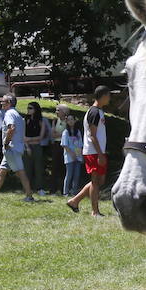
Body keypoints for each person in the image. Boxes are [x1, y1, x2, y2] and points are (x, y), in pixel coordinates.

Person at [0, 95, 35, 202]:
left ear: (9, 102)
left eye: (3, 101)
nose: (1, 103)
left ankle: (29, 196)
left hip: (11, 149)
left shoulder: (9, 114)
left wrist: (6, 143)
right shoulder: (17, 114)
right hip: (13, 149)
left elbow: (11, 128)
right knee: (1, 171)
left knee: (20, 172)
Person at [67, 86, 112, 216]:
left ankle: (75, 201)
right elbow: (92, 135)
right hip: (93, 152)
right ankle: (95, 211)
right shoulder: (94, 112)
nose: (109, 98)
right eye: (108, 96)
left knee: (99, 181)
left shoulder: (99, 111)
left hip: (98, 151)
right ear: (103, 96)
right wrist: (99, 154)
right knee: (95, 181)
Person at [23, 101, 50, 196]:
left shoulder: (41, 120)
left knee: (38, 167)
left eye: (30, 108)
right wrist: (27, 144)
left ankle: (40, 188)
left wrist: (29, 139)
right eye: (28, 108)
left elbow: (41, 137)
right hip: (26, 146)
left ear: (36, 110)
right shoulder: (25, 119)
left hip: (37, 146)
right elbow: (23, 135)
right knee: (27, 168)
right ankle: (27, 188)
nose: (28, 110)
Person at [59, 109, 84, 198]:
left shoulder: (78, 132)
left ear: (75, 120)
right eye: (68, 120)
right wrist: (72, 154)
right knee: (69, 174)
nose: (70, 121)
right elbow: (64, 145)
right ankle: (65, 192)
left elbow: (80, 144)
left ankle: (74, 191)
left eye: (72, 119)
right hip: (69, 156)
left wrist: (79, 155)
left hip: (78, 155)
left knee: (77, 174)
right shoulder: (65, 132)